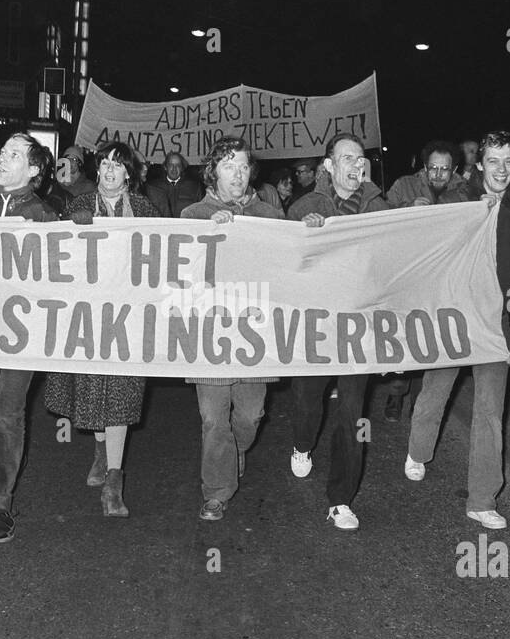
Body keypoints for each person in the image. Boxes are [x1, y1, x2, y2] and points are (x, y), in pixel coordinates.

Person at [405, 130, 510, 530]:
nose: (500, 169)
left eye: (508, 161)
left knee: (489, 412)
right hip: (452, 315)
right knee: (436, 391)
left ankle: (482, 498)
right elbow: (423, 252)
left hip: (494, 322)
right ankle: (418, 449)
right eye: (492, 161)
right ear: (479, 164)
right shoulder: (455, 202)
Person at [46, 142, 161, 517]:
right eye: (105, 164)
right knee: (93, 390)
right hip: (90, 320)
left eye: (118, 164)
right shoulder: (79, 208)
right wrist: (73, 230)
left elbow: (163, 260)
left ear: (130, 173)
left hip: (129, 320)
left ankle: (114, 479)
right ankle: (100, 450)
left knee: (121, 394)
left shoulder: (146, 212)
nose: (110, 170)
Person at [286, 133, 389, 531]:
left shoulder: (379, 208)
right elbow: (282, 262)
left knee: (351, 413)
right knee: (308, 403)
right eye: (346, 158)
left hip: (358, 327)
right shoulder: (305, 205)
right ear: (328, 165)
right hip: (315, 325)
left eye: (360, 158)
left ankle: (340, 500)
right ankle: (302, 443)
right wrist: (304, 233)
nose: (355, 164)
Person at [0, 132, 60, 543]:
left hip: (22, 334)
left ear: (33, 170)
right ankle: (3, 474)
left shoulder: (43, 216)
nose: (2, 158)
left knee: (8, 410)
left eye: (14, 154)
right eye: (2, 151)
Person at [180, 137, 283, 520]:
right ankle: (217, 490)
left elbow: (291, 268)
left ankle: (234, 452)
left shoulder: (270, 216)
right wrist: (206, 234)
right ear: (213, 172)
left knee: (250, 415)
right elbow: (179, 272)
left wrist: (310, 230)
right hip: (209, 333)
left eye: (242, 166)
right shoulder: (193, 214)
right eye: (228, 166)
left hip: (254, 333)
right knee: (213, 417)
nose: (237, 174)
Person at [382, 140, 475, 420]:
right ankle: (397, 392)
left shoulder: (466, 192)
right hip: (408, 276)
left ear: (454, 169)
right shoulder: (404, 185)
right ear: (424, 167)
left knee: (433, 341)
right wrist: (408, 208)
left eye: (444, 170)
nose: (437, 175)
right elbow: (379, 218)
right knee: (403, 336)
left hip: (443, 281)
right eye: (432, 168)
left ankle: (423, 407)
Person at [144, 152, 203, 217]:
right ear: (165, 167)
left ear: (182, 168)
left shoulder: (194, 187)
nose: (174, 169)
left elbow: (200, 212)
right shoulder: (153, 187)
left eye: (178, 165)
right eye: (170, 165)